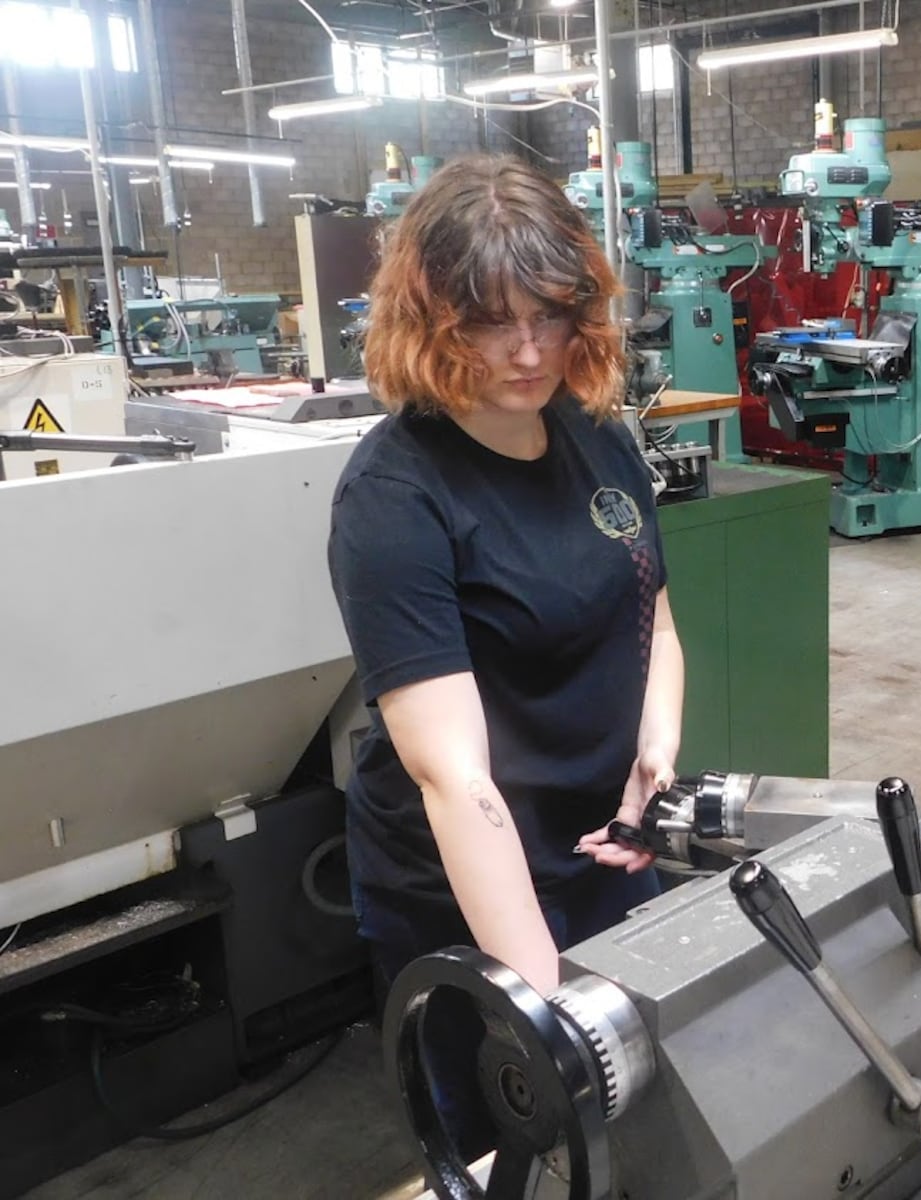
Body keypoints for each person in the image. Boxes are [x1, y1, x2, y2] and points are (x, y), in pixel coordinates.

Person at [327, 154, 682, 1156]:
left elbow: (654, 616)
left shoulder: (594, 436)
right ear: (428, 319)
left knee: (647, 1131)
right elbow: (453, 777)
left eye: (550, 315)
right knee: (520, 1141)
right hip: (463, 882)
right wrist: (544, 1004)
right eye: (489, 321)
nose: (528, 351)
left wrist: (654, 749)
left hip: (606, 845)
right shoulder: (395, 498)